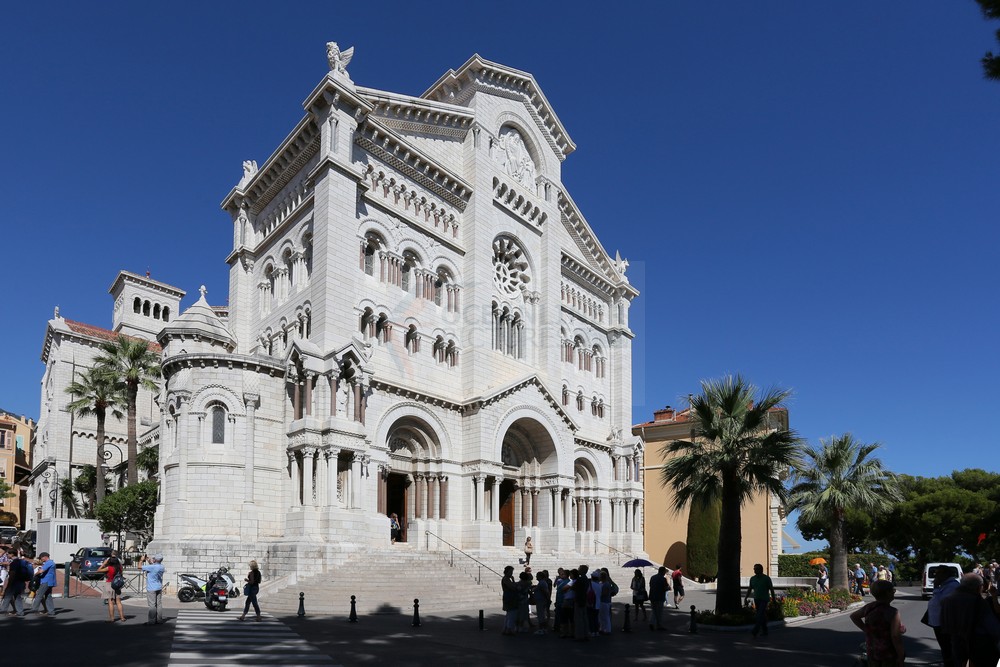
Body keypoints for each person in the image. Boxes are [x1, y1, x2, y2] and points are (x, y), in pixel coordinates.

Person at [939, 573, 1000, 667]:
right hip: (979, 645)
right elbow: (993, 627)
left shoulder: (947, 600)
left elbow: (943, 624)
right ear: (978, 587)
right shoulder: (979, 602)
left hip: (956, 642)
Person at [850, 579, 905, 667]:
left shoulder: (869, 607)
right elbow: (895, 636)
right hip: (888, 653)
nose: (894, 592)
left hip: (872, 651)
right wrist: (901, 655)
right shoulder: (893, 612)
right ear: (888, 593)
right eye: (893, 590)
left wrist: (866, 629)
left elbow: (854, 616)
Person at [926, 564, 961, 667]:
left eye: (937, 574)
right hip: (939, 621)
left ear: (944, 574)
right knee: (945, 648)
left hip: (944, 622)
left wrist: (936, 588)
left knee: (947, 648)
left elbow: (943, 601)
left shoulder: (952, 586)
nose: (935, 577)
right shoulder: (945, 585)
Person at [745, 563, 776, 638]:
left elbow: (771, 589)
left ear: (761, 570)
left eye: (756, 569)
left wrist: (774, 599)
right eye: (754, 569)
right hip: (756, 599)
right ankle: (765, 630)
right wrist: (746, 597)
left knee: (759, 614)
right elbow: (750, 588)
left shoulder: (766, 578)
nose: (755, 570)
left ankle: (755, 630)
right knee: (762, 615)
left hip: (764, 599)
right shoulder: (752, 579)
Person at [96, 550, 126, 623]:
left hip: (109, 584)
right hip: (117, 585)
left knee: (110, 602)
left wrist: (104, 564)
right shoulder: (120, 568)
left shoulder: (109, 568)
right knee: (118, 602)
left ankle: (112, 618)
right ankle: (122, 617)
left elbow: (98, 570)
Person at [0, 551, 31, 617]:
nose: (7, 555)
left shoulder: (14, 563)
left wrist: (9, 584)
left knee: (7, 596)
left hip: (14, 582)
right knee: (17, 597)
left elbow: (12, 574)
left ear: (12, 554)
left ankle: (3, 610)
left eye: (8, 554)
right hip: (21, 582)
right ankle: (20, 612)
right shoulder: (21, 561)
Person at [140, 553, 165, 625]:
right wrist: (150, 561)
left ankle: (151, 621)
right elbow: (153, 567)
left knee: (152, 605)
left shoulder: (152, 567)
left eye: (154, 558)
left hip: (151, 588)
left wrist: (141, 560)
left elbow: (139, 567)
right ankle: (159, 620)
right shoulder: (162, 567)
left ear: (155, 560)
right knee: (159, 604)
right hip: (159, 587)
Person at [31, 551, 56, 615]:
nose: (41, 559)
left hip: (46, 581)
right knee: (48, 596)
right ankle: (51, 611)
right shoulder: (51, 563)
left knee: (39, 595)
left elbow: (41, 571)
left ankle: (34, 610)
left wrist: (34, 575)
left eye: (41, 558)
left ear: (45, 557)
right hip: (50, 582)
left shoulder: (48, 563)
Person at [572, 564, 590, 641]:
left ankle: (579, 635)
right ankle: (585, 634)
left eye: (579, 569)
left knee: (578, 618)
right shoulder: (586, 579)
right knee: (584, 617)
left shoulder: (580, 579)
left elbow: (574, 587)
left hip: (579, 599)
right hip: (584, 599)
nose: (578, 570)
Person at [648, 566, 668, 631]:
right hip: (659, 597)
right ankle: (659, 625)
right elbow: (665, 588)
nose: (665, 573)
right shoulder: (663, 579)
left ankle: (651, 622)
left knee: (654, 610)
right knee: (659, 612)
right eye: (664, 571)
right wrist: (668, 588)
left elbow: (650, 585)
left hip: (652, 596)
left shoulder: (653, 577)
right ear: (663, 571)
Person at [501, 565, 518, 636]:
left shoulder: (507, 579)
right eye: (510, 572)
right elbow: (512, 587)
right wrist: (514, 583)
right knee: (512, 613)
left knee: (509, 614)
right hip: (509, 597)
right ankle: (509, 629)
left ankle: (506, 628)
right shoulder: (506, 579)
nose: (511, 573)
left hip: (510, 596)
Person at [533, 570, 551, 634]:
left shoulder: (542, 583)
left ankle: (541, 629)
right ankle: (543, 628)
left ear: (540, 576)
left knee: (541, 615)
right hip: (541, 600)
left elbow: (545, 592)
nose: (536, 577)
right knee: (542, 614)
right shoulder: (542, 582)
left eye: (537, 576)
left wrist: (547, 599)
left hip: (541, 600)